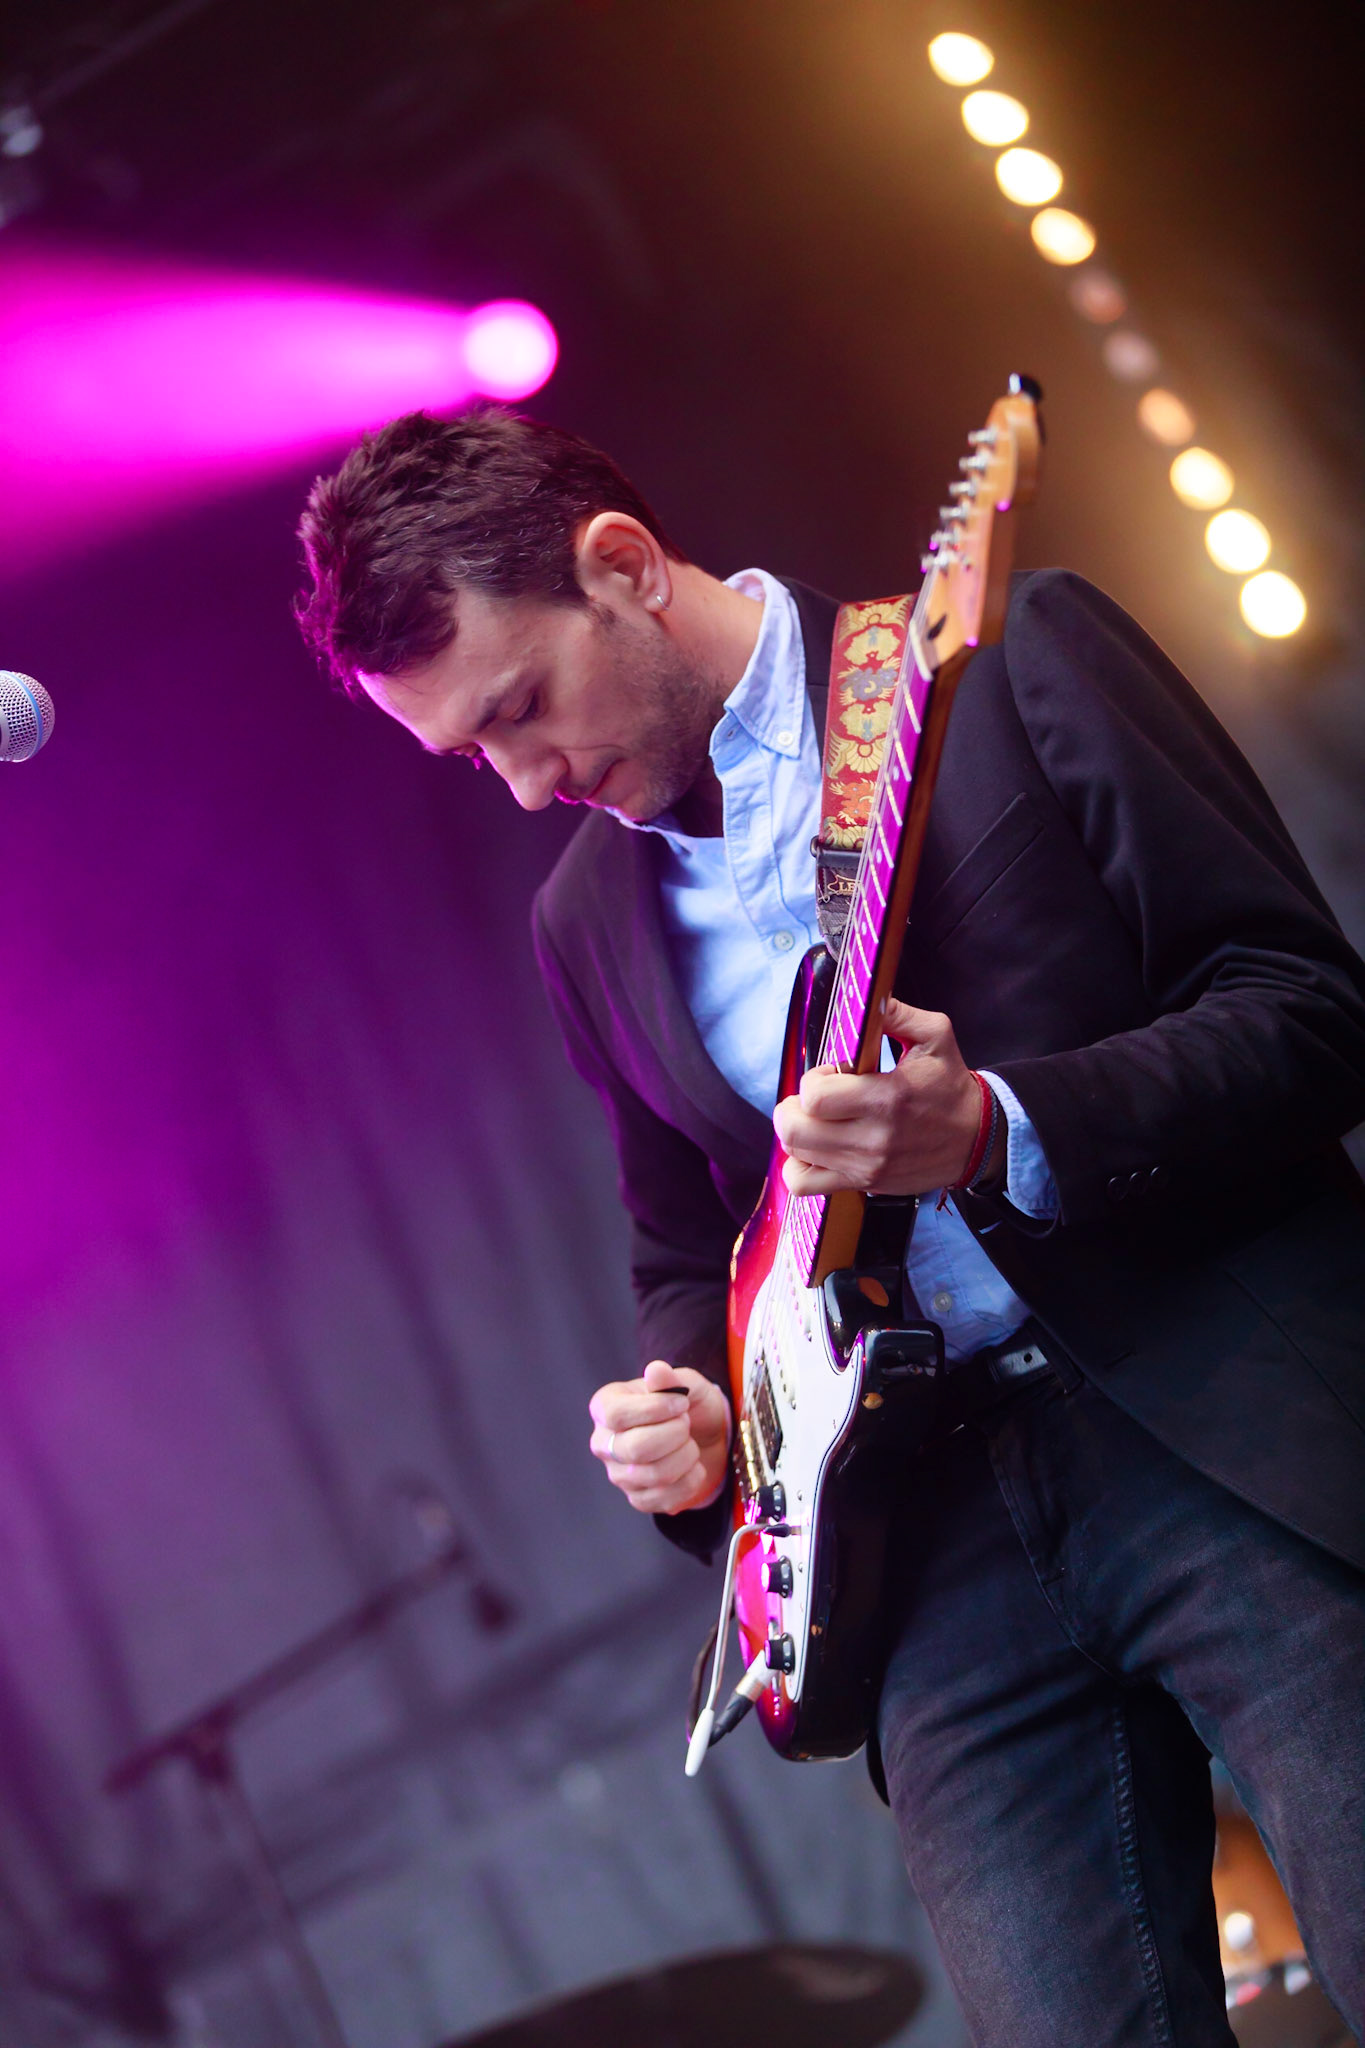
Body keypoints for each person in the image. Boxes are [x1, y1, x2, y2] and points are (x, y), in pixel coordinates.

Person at [295, 405, 1365, 2046]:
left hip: (1222, 1430)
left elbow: (1305, 1011)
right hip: (927, 1547)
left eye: (518, 710)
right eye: (469, 758)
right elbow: (682, 1247)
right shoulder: (583, 921)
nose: (522, 787)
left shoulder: (1005, 668)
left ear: (624, 569)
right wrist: (694, 1410)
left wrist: (1000, 1128)